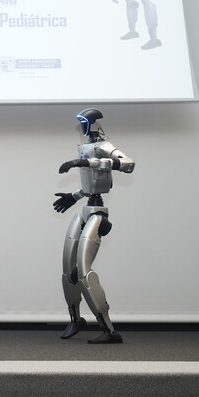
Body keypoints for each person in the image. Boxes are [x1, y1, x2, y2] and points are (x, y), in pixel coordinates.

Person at [53, 108, 135, 344]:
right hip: (86, 208)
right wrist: (74, 196)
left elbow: (128, 164)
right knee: (68, 268)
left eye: (83, 122)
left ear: (92, 124)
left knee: (84, 270)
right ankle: (75, 319)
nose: (81, 127)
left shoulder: (105, 146)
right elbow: (90, 181)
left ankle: (109, 330)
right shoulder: (85, 147)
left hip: (98, 213)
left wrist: (90, 161)